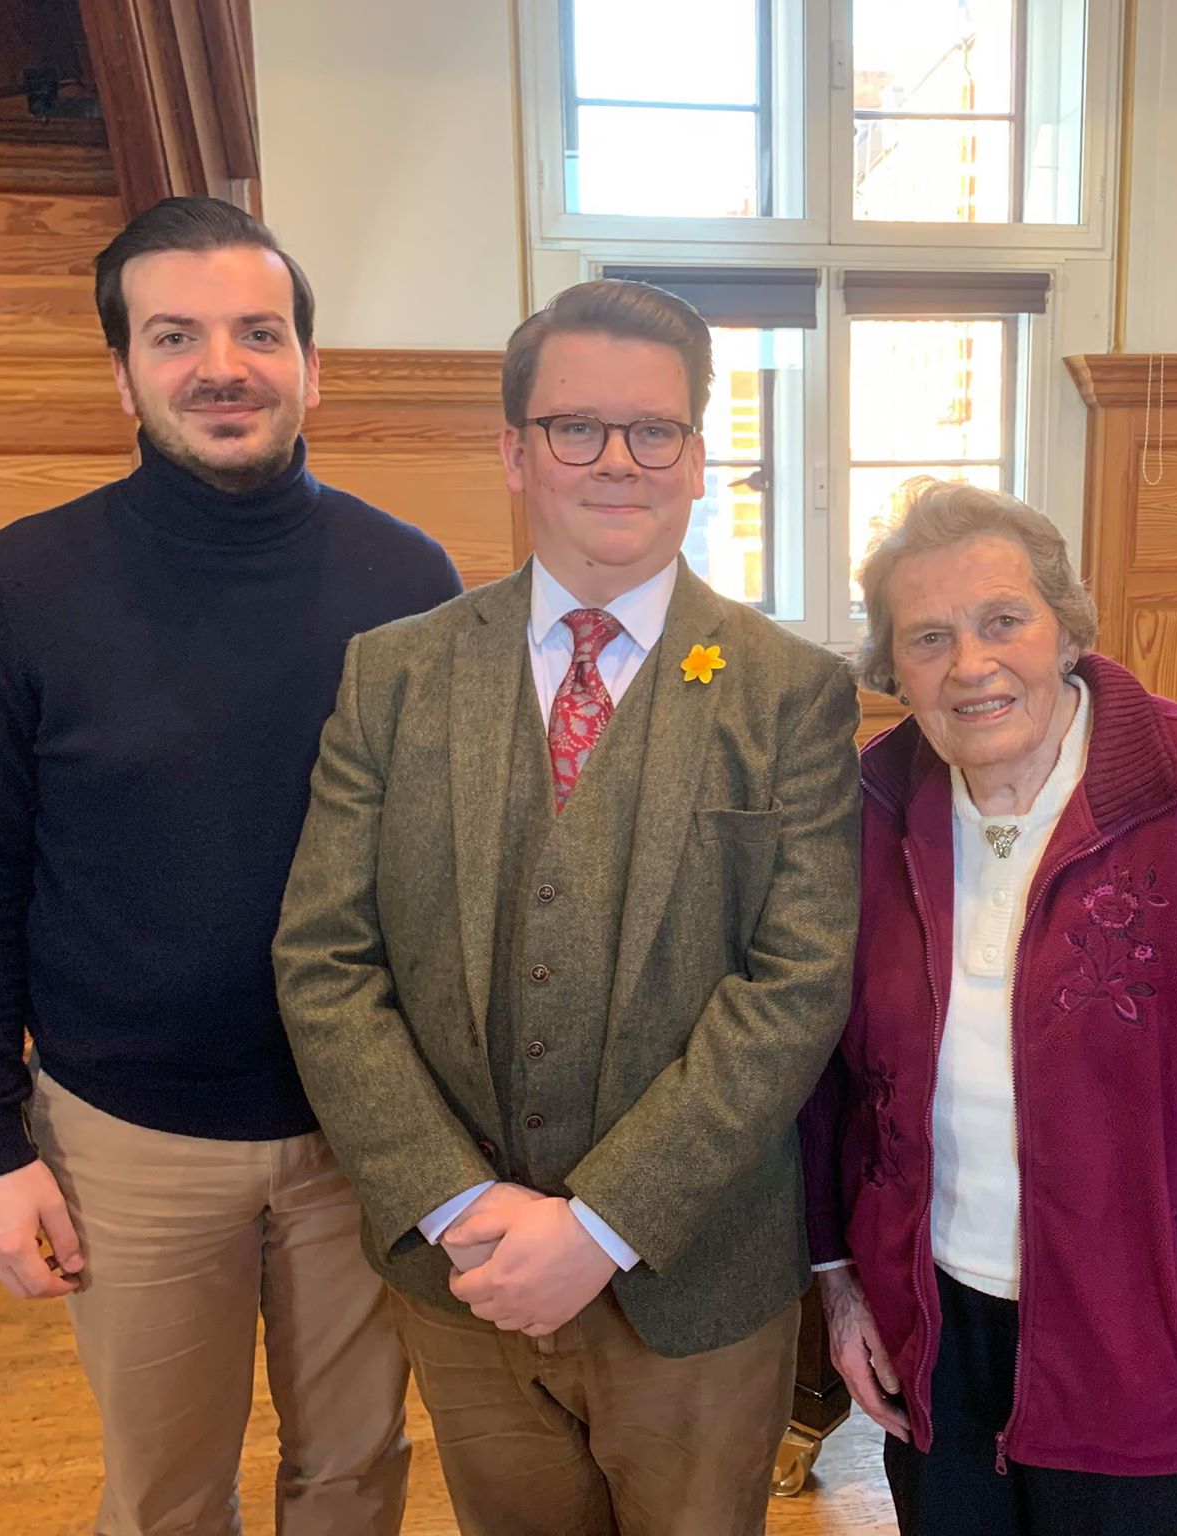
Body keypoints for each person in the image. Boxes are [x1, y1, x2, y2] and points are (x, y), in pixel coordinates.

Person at [270, 278, 860, 1536]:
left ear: (699, 458)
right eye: (573, 427)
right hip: (465, 1281)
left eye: (654, 430)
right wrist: (453, 1204)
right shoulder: (396, 676)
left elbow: (796, 985)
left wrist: (604, 1222)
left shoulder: (788, 693)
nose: (616, 461)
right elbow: (323, 960)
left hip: (692, 1285)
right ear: (513, 451)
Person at [0, 196, 462, 1534]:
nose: (224, 363)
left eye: (258, 330)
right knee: (165, 1496)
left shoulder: (412, 580)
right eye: (177, 335)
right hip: (127, 1140)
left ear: (309, 365)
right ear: (123, 372)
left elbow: (453, 874)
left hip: (363, 1135)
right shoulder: (13, 587)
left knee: (355, 1478)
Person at [798, 478, 1177, 1536]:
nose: (971, 665)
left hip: (1140, 1336)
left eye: (1002, 621)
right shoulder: (871, 799)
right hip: (930, 1329)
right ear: (889, 669)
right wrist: (842, 1286)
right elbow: (826, 1072)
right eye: (928, 638)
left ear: (1064, 629)